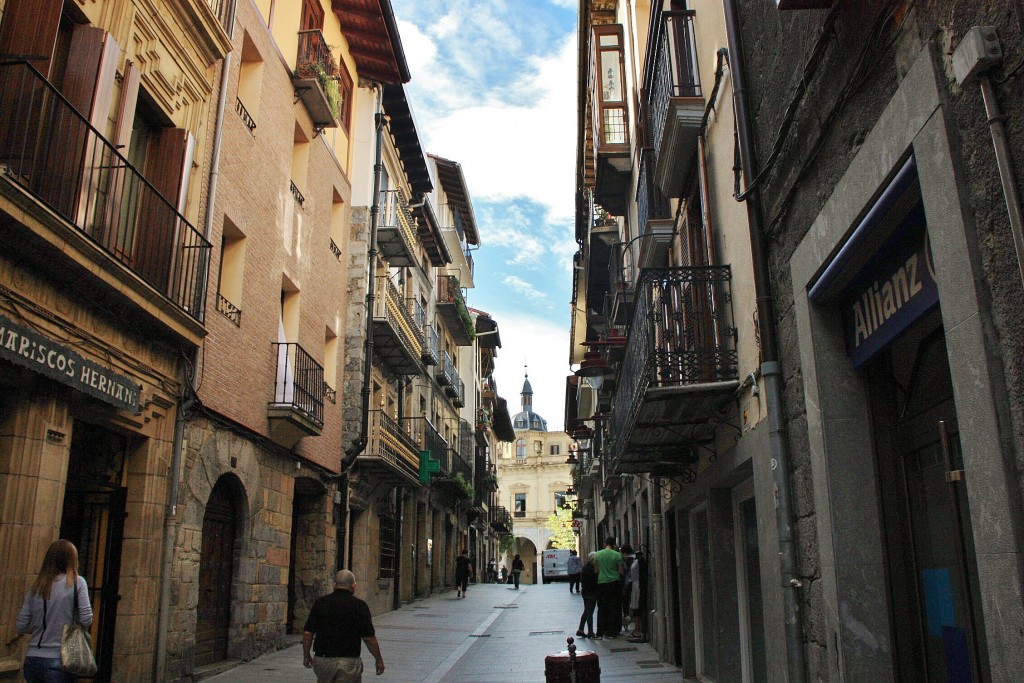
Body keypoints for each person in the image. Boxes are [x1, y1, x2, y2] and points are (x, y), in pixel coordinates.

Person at [16, 539, 93, 683]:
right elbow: (86, 619)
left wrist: (41, 628)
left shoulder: (37, 586)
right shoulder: (77, 582)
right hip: (61, 658)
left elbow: (21, 625)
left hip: (32, 660)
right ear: (72, 560)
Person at [303, 570, 385, 682]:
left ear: (334, 584)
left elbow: (308, 633)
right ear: (354, 586)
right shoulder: (360, 606)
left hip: (323, 660)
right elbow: (369, 638)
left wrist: (306, 655)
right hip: (348, 660)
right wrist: (378, 659)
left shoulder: (320, 603)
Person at [592, 536, 624, 639]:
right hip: (614, 583)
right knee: (613, 607)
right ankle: (612, 631)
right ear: (614, 544)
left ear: (605, 543)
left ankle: (600, 631)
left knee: (601, 608)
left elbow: (596, 571)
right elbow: (621, 571)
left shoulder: (598, 554)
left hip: (601, 583)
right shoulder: (617, 555)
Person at [575, 552, 598, 639]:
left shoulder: (585, 567)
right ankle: (590, 632)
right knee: (589, 612)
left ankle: (580, 629)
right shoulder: (591, 568)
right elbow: (594, 580)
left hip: (585, 592)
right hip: (591, 592)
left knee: (587, 611)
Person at [627, 550, 648, 641]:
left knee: (638, 608)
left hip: (638, 586)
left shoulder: (639, 561)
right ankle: (637, 629)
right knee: (636, 607)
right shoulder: (635, 560)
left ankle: (638, 630)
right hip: (636, 586)